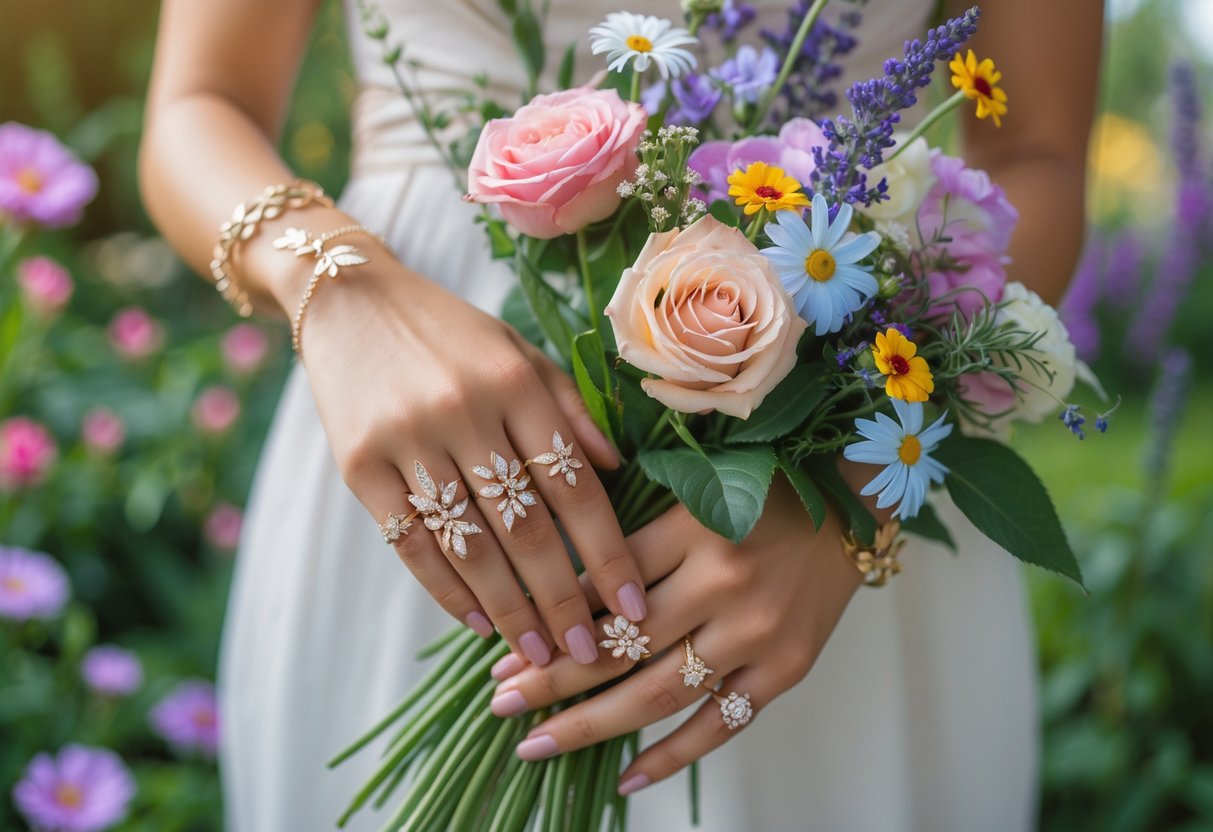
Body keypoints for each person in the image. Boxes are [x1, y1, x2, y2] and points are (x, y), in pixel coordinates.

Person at [139, 1, 1102, 829]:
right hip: (411, 405)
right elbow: (198, 104)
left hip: (842, 383)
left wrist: (855, 496)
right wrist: (335, 288)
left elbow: (1038, 155)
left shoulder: (848, 472)